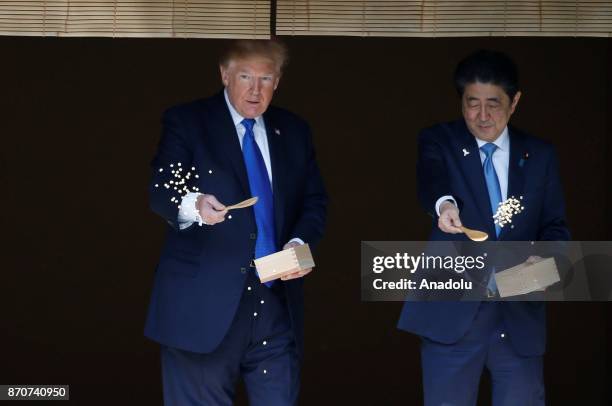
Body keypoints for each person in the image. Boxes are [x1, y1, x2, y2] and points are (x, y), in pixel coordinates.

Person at [144, 39, 327, 406]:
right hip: (202, 309)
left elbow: (314, 201)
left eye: (265, 78)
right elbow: (161, 188)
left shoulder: (293, 130)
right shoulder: (189, 121)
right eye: (245, 76)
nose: (255, 89)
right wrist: (196, 205)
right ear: (225, 75)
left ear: (278, 81)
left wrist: (297, 244)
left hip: (275, 306)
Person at [398, 50, 570, 405]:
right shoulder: (439, 140)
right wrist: (444, 206)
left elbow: (556, 226)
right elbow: (432, 181)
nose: (482, 115)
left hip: (518, 313)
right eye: (472, 103)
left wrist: (544, 259)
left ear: (515, 101)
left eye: (493, 103)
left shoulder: (539, 155)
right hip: (452, 312)